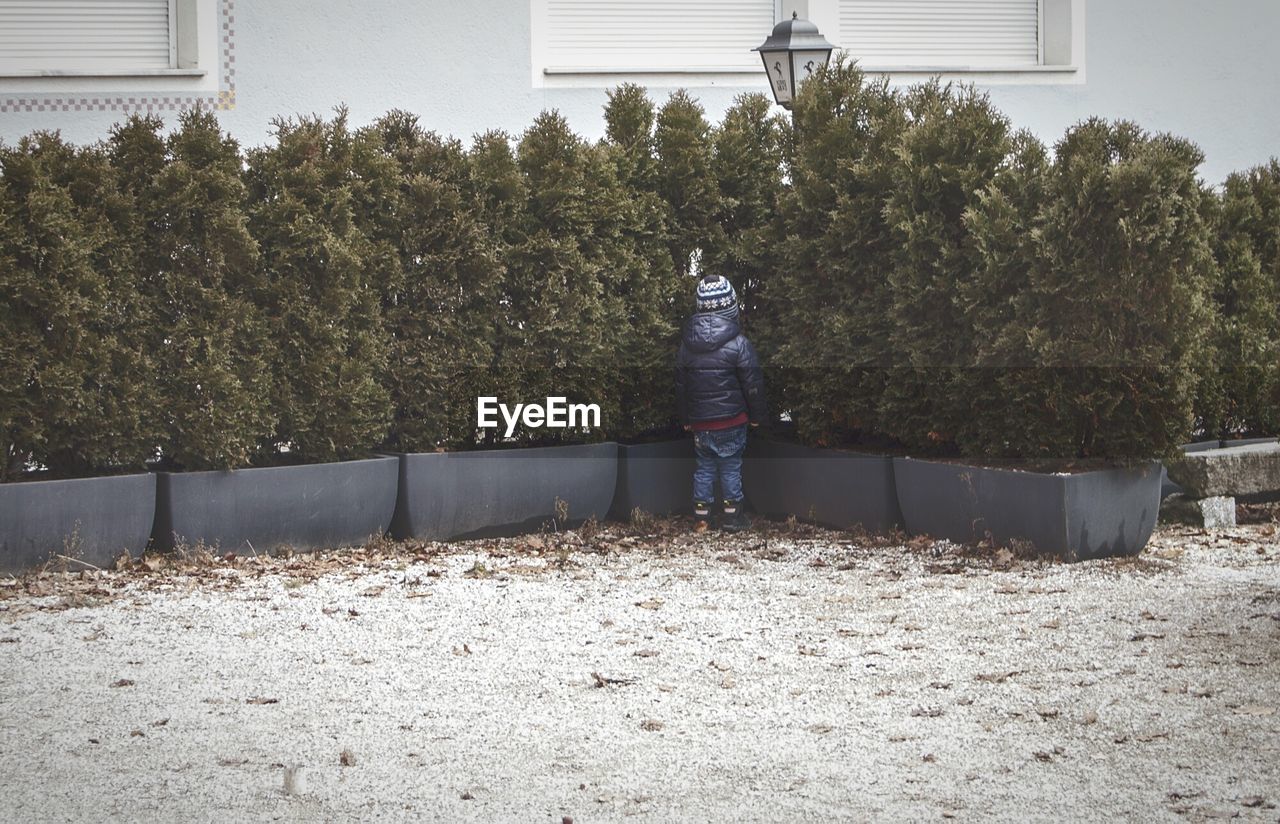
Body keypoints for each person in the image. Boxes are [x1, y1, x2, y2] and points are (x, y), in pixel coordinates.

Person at [675, 274, 766, 532]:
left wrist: (685, 420)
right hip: (732, 420)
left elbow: (681, 386)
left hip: (701, 423)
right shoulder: (739, 345)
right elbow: (753, 385)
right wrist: (758, 415)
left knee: (704, 467)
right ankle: (732, 516)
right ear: (732, 309)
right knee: (730, 467)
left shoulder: (686, 347)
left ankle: (701, 515)